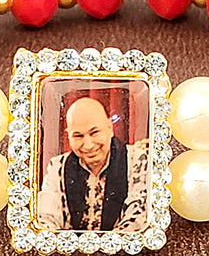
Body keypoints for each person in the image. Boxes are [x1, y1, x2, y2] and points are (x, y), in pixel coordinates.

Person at [37, 95, 149, 232]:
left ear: (110, 128)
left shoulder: (136, 160)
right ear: (68, 136)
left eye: (94, 132)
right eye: (78, 136)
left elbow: (137, 219)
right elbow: (46, 218)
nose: (88, 145)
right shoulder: (58, 166)